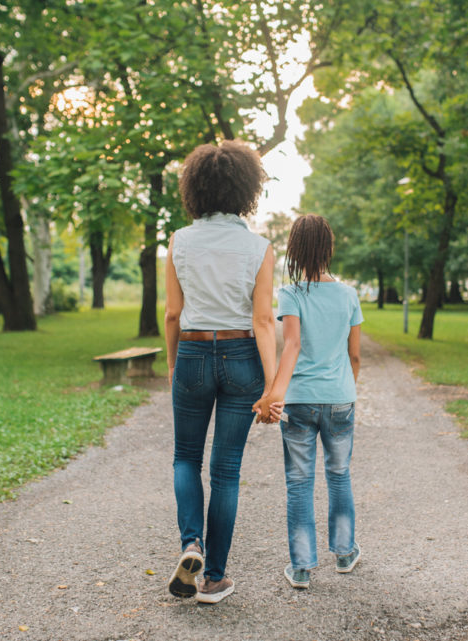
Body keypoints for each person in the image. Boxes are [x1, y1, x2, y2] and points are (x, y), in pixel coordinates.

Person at [164, 141, 277, 604]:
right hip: (242, 356)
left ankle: (190, 543)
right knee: (226, 471)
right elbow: (264, 321)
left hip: (192, 353)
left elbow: (173, 313)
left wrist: (174, 364)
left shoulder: (179, 241)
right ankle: (213, 578)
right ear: (246, 188)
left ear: (195, 189)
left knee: (185, 458)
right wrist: (271, 386)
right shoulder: (259, 247)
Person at [253, 214, 363, 590]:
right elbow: (356, 356)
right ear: (329, 249)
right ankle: (345, 553)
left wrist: (275, 395)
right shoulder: (349, 295)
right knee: (339, 474)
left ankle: (301, 567)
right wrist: (345, 389)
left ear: (295, 251)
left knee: (299, 482)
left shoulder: (292, 293)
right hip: (340, 401)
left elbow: (293, 346)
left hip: (299, 403)